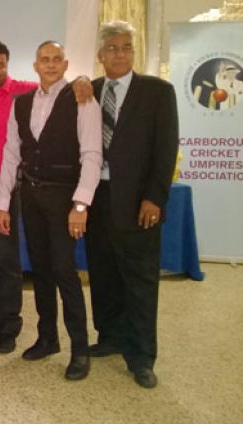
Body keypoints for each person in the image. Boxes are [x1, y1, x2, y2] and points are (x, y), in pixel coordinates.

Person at [0, 39, 93, 354]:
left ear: (10, 66)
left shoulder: (21, 92)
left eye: (0, 65)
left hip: (7, 193)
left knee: (5, 262)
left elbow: (59, 85)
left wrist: (82, 79)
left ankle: (8, 326)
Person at [0, 41, 102, 381]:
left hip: (64, 198)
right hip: (31, 195)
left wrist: (80, 204)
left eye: (57, 59)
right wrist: (2, 203)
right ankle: (48, 338)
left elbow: (92, 155)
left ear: (66, 64)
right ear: (36, 65)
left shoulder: (82, 98)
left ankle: (80, 349)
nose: (51, 64)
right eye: (45, 59)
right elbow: (11, 153)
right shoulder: (21, 102)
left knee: (64, 272)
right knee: (40, 271)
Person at [86, 21, 179, 389]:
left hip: (139, 202)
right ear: (100, 55)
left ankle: (141, 357)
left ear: (133, 53)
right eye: (112, 48)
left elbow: (165, 148)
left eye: (126, 48)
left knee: (140, 281)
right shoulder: (89, 91)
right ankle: (110, 337)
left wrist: (155, 196)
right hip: (97, 200)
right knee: (104, 273)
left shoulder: (158, 92)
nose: (120, 54)